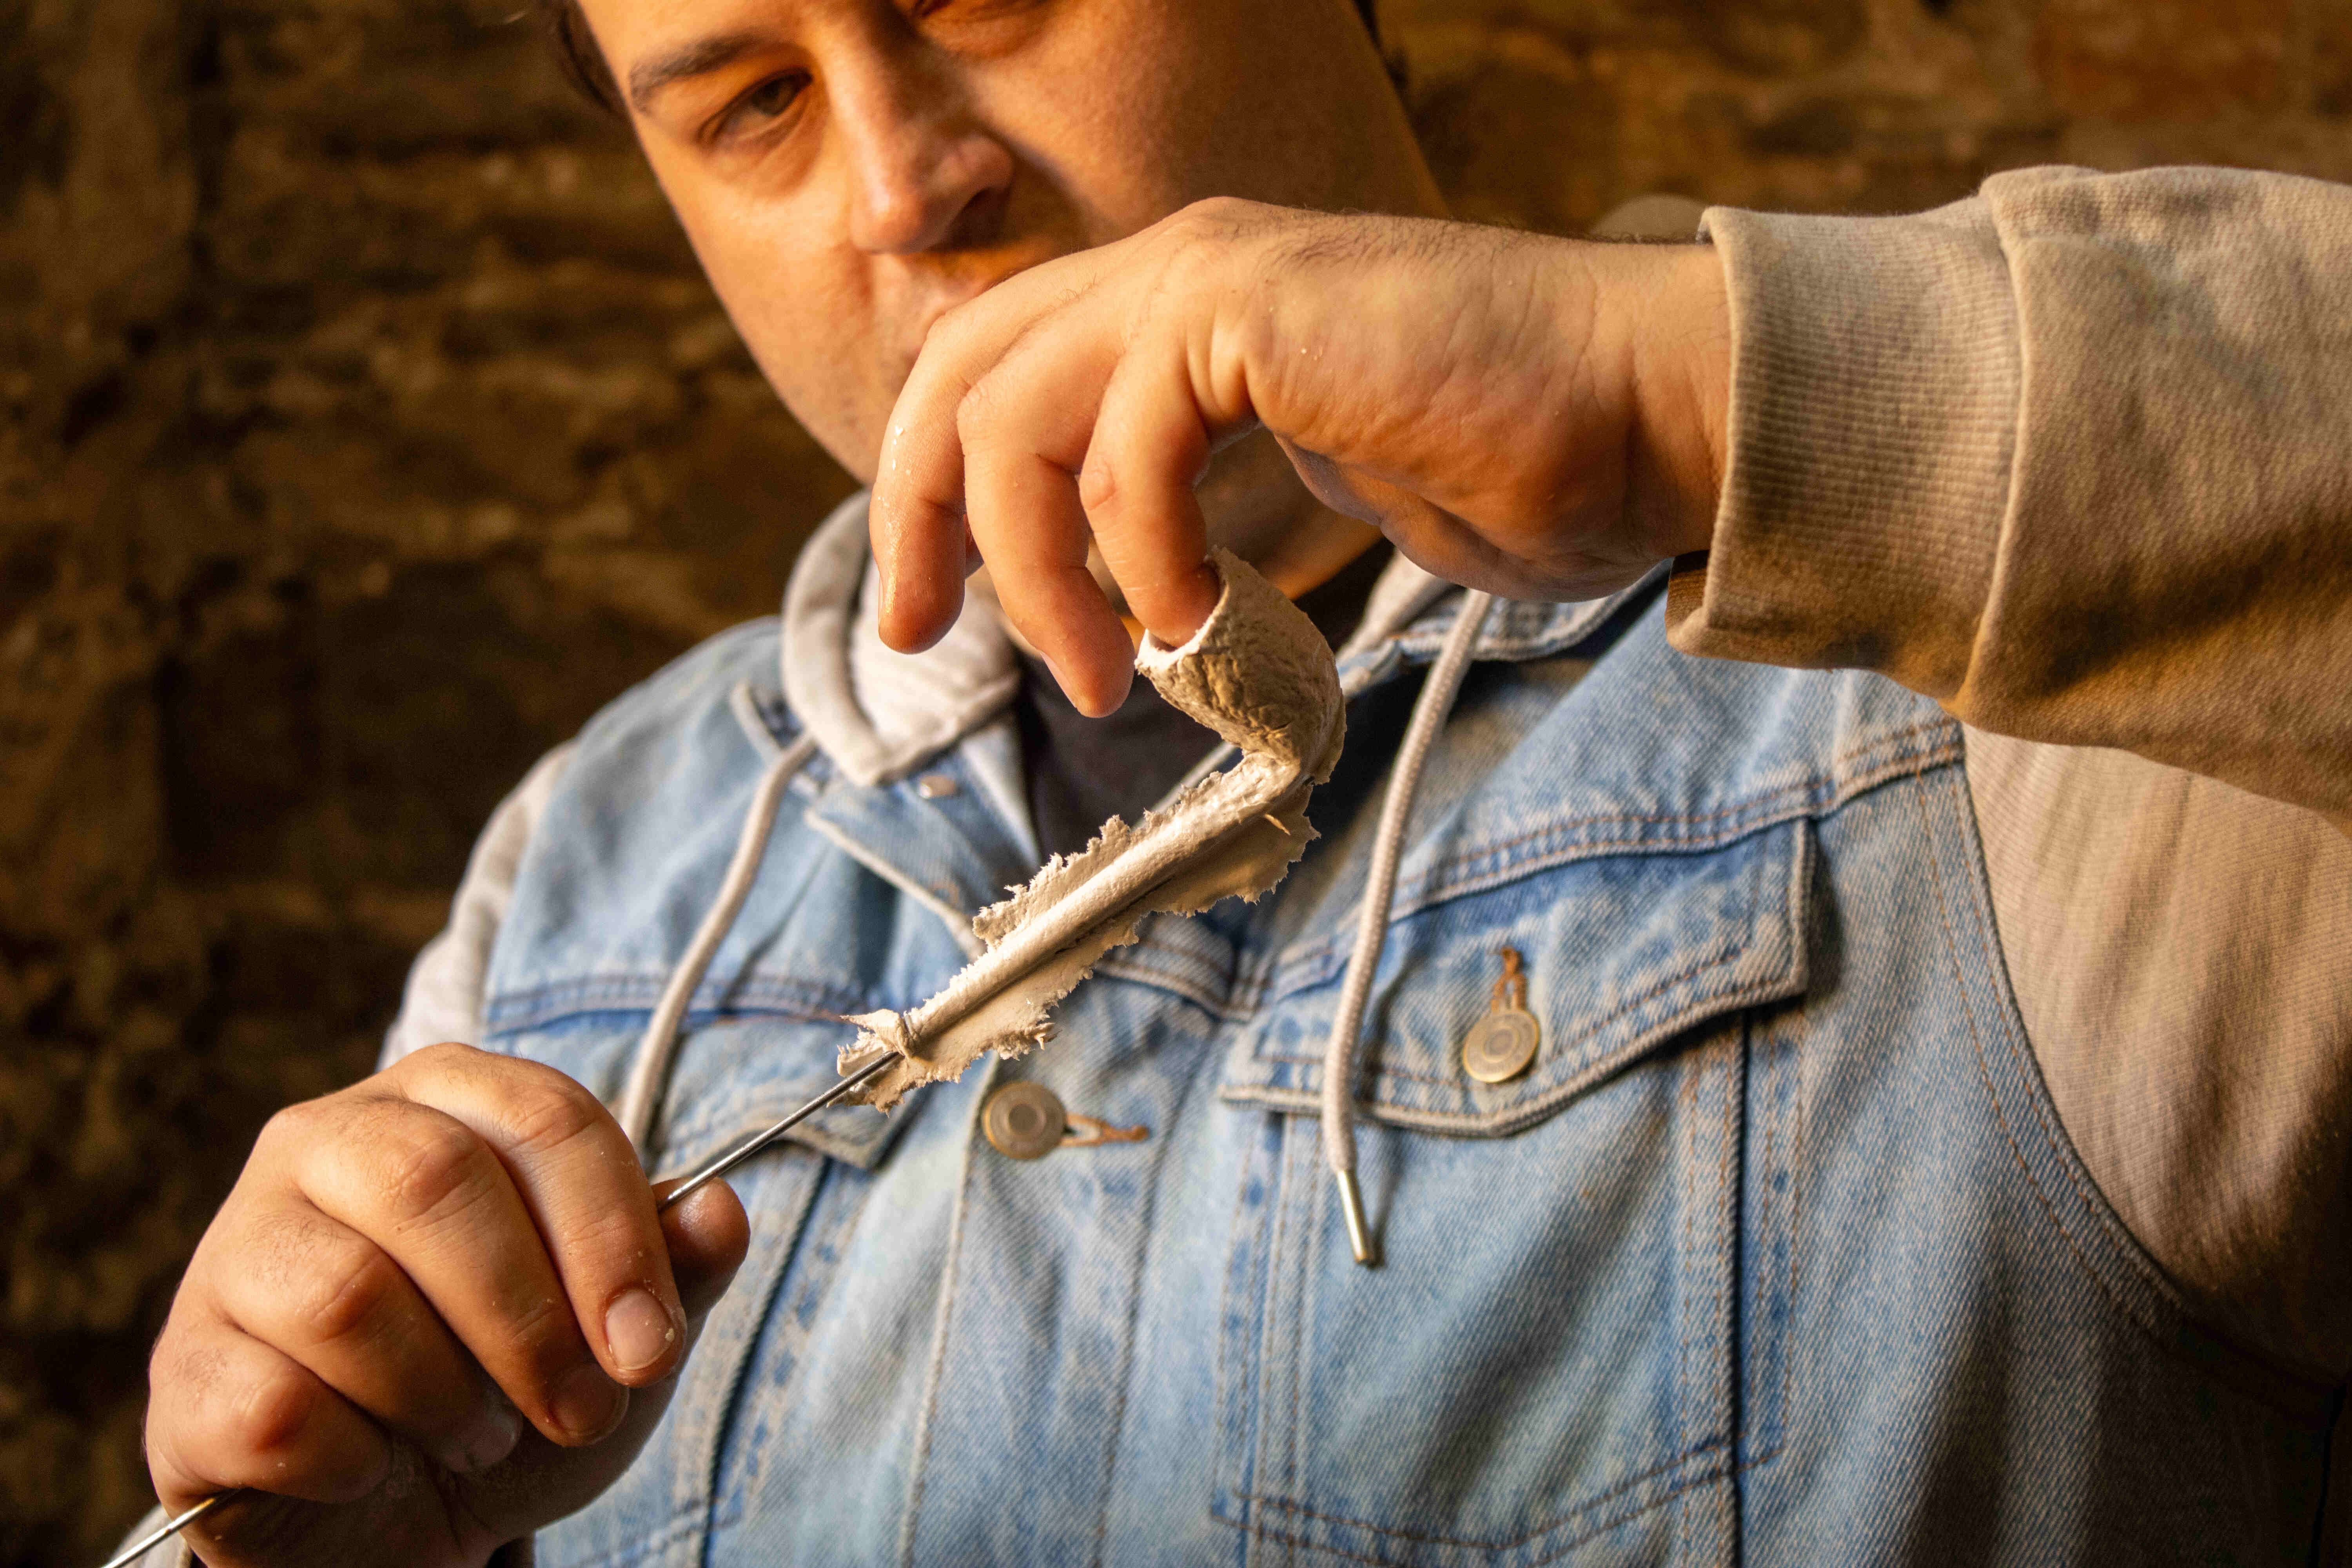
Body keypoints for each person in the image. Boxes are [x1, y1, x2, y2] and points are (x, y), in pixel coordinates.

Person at [123, 0, 2352, 1563]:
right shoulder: (583, 877)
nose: (909, 181)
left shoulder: (2034, 718)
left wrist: (1695, 390)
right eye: (746, 104)